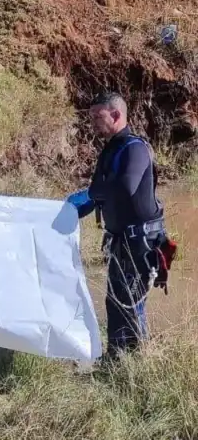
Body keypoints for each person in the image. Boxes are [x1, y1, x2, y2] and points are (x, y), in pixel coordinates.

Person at [67, 92, 176, 359]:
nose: (92, 121)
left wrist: (93, 193)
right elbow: (98, 191)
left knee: (131, 304)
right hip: (119, 241)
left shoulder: (135, 148)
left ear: (116, 115)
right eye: (91, 116)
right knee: (115, 302)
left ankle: (138, 362)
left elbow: (125, 187)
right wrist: (67, 211)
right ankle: (116, 359)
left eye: (97, 116)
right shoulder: (110, 150)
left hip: (141, 243)